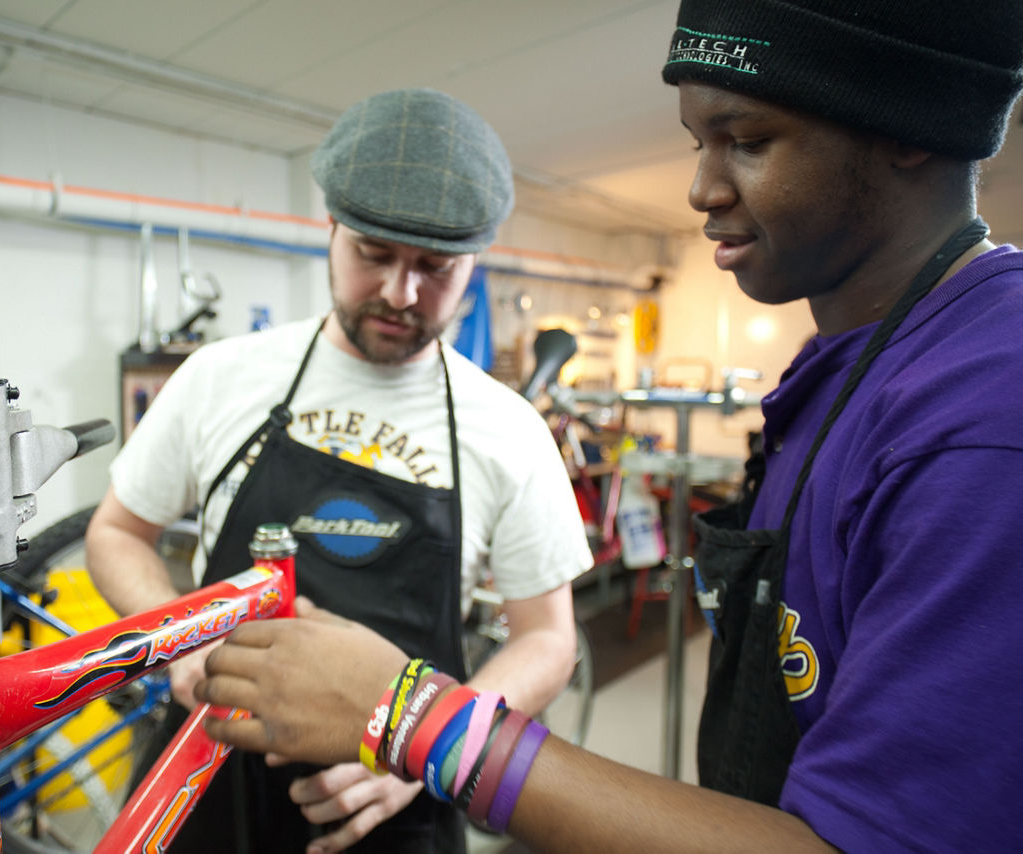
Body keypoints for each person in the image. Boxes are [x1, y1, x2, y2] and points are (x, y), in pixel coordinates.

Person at [196, 2, 1023, 852]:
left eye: (747, 139)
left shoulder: (986, 420)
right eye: (696, 142)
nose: (702, 188)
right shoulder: (840, 372)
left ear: (908, 121)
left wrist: (419, 721)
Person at [85, 88, 593, 854]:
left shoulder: (509, 431)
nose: (399, 293)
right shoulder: (223, 377)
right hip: (202, 774)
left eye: (435, 269)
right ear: (330, 228)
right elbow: (117, 532)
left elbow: (549, 640)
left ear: (475, 265)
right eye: (374, 255)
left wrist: (429, 744)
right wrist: (178, 641)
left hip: (393, 799)